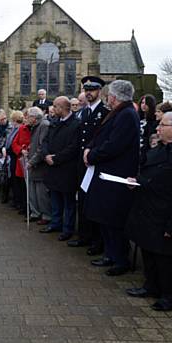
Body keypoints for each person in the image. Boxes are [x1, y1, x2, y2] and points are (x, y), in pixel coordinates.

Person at [124, 112, 172, 311]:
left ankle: (169, 294)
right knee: (148, 250)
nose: (158, 128)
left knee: (166, 257)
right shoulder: (159, 149)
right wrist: (137, 182)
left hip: (167, 213)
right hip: (147, 208)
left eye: (162, 125)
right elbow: (149, 174)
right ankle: (151, 286)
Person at [84, 80, 140, 276]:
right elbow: (101, 136)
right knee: (104, 217)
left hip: (116, 175)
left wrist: (91, 155)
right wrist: (90, 148)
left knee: (114, 219)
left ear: (114, 97)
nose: (107, 98)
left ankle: (120, 259)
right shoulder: (118, 113)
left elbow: (114, 144)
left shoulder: (127, 115)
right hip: (106, 173)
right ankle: (110, 253)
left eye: (108, 95)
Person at [68, 76, 109, 254]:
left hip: (95, 162)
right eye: (86, 90)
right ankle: (84, 236)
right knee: (83, 201)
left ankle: (96, 241)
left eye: (92, 90)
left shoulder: (105, 112)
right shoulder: (84, 112)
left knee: (95, 203)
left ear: (99, 91)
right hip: (82, 163)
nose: (88, 93)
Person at [41, 97, 80, 241]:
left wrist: (56, 158)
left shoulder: (76, 124)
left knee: (68, 202)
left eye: (55, 107)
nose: (53, 109)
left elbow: (73, 147)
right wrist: (46, 155)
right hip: (52, 169)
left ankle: (67, 228)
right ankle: (55, 223)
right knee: (55, 199)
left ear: (62, 108)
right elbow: (45, 141)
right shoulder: (54, 123)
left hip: (66, 169)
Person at [25, 107, 51, 222]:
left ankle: (46, 215)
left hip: (40, 165)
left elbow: (42, 147)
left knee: (41, 193)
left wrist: (32, 161)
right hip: (33, 164)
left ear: (34, 118)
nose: (27, 119)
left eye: (28, 116)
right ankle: (35, 212)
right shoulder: (35, 126)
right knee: (33, 191)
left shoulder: (44, 125)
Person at [11, 111, 31, 215]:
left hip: (31, 160)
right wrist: (20, 150)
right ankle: (23, 206)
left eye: (27, 117)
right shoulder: (21, 129)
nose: (25, 119)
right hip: (21, 160)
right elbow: (14, 143)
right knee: (21, 185)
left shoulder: (35, 129)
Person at [5, 110, 24, 207]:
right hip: (12, 157)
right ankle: (16, 200)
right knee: (14, 179)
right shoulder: (14, 129)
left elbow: (15, 143)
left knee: (17, 181)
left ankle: (19, 201)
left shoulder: (19, 129)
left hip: (16, 158)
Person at [139, 94, 158, 161]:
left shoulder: (154, 121)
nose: (143, 105)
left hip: (145, 150)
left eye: (146, 103)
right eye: (142, 103)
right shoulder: (137, 118)